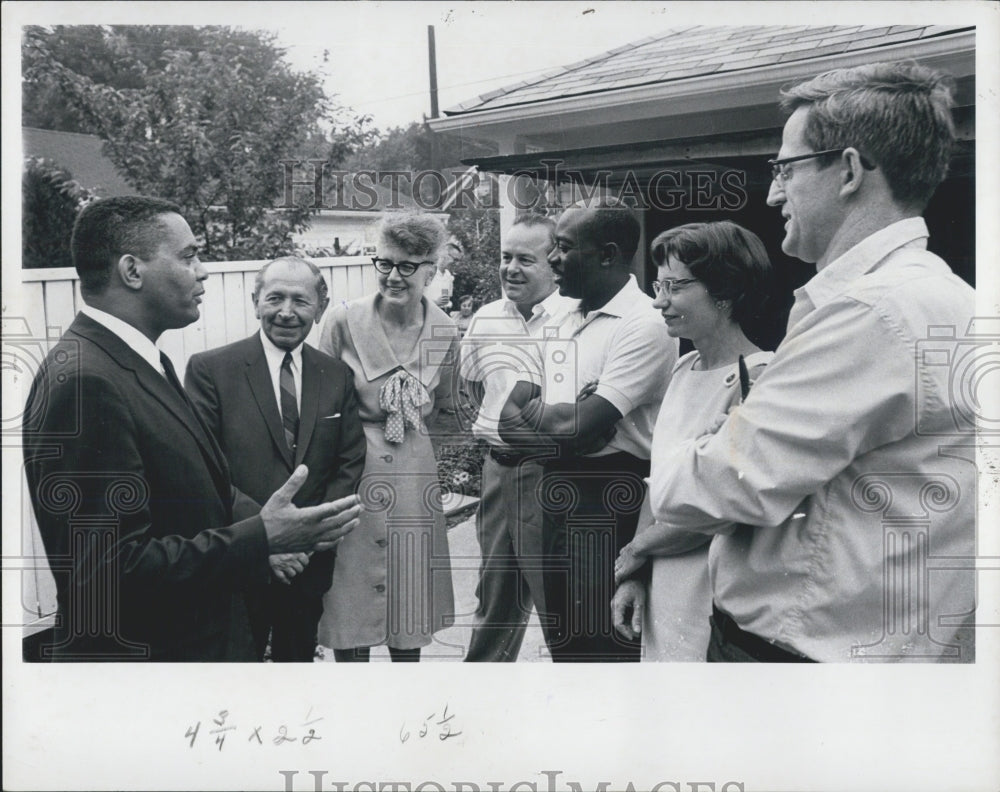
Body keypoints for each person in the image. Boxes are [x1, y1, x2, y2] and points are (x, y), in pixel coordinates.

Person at [647, 61, 976, 662]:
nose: (773, 191)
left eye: (785, 168)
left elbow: (703, 488)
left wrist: (702, 438)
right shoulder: (948, 298)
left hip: (793, 663)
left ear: (848, 170)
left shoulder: (869, 313)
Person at [21, 196, 361, 662]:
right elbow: (105, 573)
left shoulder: (144, 361)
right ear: (132, 271)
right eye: (188, 256)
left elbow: (204, 484)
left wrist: (279, 529)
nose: (203, 271)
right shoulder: (83, 382)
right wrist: (262, 538)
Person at [500, 203, 675, 662]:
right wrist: (569, 421)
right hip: (556, 488)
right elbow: (507, 419)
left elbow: (572, 426)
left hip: (612, 497)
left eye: (564, 246)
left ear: (608, 254)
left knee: (604, 642)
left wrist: (561, 419)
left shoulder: (645, 324)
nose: (552, 258)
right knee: (563, 639)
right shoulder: (559, 317)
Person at [184, 256, 367, 662]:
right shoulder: (212, 369)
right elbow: (202, 468)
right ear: (255, 303)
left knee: (297, 664)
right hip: (239, 556)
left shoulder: (335, 374)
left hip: (309, 562)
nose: (286, 312)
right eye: (275, 298)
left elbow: (349, 460)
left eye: (301, 301)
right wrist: (267, 539)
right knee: (237, 672)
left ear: (320, 307)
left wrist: (309, 536)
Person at [611, 221, 774, 661]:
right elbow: (659, 482)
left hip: (711, 585)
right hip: (662, 576)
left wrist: (635, 550)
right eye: (658, 285)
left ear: (726, 292)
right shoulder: (682, 369)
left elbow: (718, 510)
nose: (659, 301)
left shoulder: (758, 379)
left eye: (675, 287)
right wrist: (634, 577)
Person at [317, 212, 459, 662]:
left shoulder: (444, 331)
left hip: (414, 472)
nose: (392, 276)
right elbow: (319, 404)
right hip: (352, 464)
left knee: (409, 591)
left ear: (431, 270)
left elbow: (446, 409)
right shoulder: (343, 320)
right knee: (352, 591)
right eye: (384, 263)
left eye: (407, 266)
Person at [460, 213, 579, 662]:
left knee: (557, 600)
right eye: (506, 257)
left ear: (555, 264)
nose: (511, 268)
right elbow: (472, 386)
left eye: (525, 260)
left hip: (551, 475)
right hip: (498, 472)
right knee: (495, 597)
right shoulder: (486, 319)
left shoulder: (577, 317)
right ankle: (480, 705)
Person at [424, 237, 460, 311]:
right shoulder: (428, 272)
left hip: (445, 313)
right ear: (445, 255)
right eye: (455, 259)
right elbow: (418, 297)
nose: (457, 264)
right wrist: (435, 303)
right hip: (429, 312)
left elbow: (447, 297)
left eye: (458, 261)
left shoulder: (448, 276)